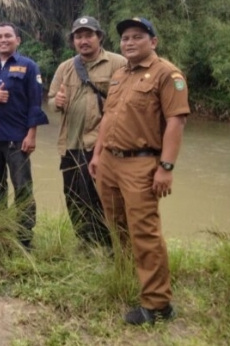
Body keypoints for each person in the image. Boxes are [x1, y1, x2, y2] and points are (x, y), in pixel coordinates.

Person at [89, 17, 189, 326]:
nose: (129, 42)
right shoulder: (120, 75)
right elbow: (108, 117)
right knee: (117, 223)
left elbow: (176, 122)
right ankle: (133, 277)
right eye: (125, 38)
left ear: (153, 42)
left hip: (142, 164)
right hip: (110, 162)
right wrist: (98, 152)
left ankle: (158, 304)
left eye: (137, 37)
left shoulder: (167, 74)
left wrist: (166, 168)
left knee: (144, 231)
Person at [48, 17, 126, 248]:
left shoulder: (117, 63)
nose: (83, 41)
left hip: (100, 145)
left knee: (101, 198)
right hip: (69, 145)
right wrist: (57, 101)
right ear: (73, 41)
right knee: (73, 197)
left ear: (99, 37)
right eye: (78, 36)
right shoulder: (65, 67)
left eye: (88, 35)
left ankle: (107, 246)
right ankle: (84, 242)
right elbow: (51, 101)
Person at [0, 22, 49, 249]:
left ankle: (24, 236)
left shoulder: (28, 66)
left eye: (8, 36)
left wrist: (31, 134)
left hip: (17, 138)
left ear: (17, 40)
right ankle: (0, 228)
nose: (3, 40)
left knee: (22, 186)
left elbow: (35, 103)